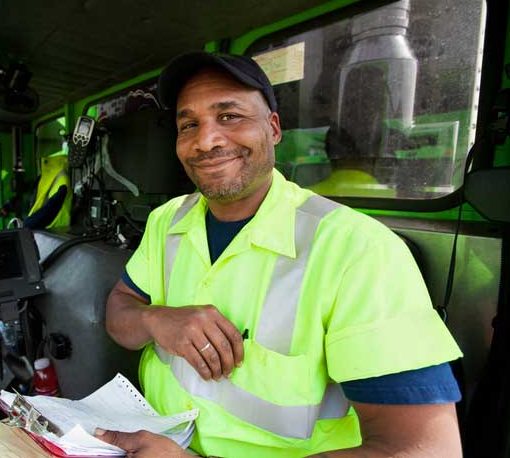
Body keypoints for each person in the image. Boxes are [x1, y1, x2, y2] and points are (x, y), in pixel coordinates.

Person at [99, 52, 463, 458]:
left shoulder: (357, 250)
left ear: (272, 128)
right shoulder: (167, 221)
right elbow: (120, 309)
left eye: (230, 116)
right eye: (189, 125)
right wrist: (155, 319)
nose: (207, 141)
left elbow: (427, 450)